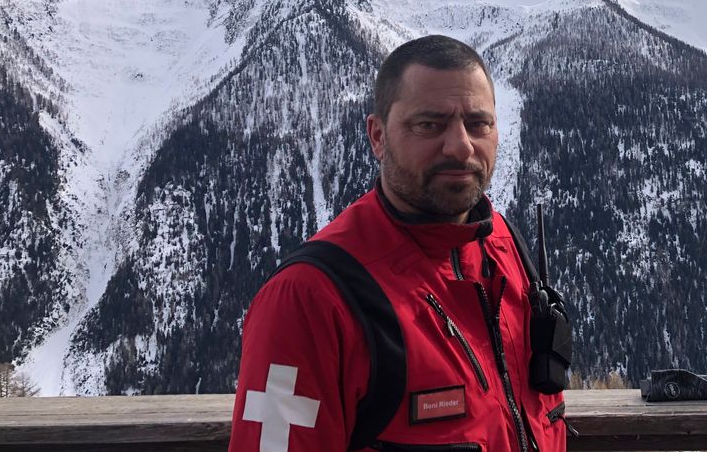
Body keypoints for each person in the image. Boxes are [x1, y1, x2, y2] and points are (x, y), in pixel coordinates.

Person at [228, 35, 567, 452]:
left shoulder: (503, 245)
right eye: (429, 125)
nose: (460, 146)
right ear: (378, 136)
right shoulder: (308, 300)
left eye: (478, 123)